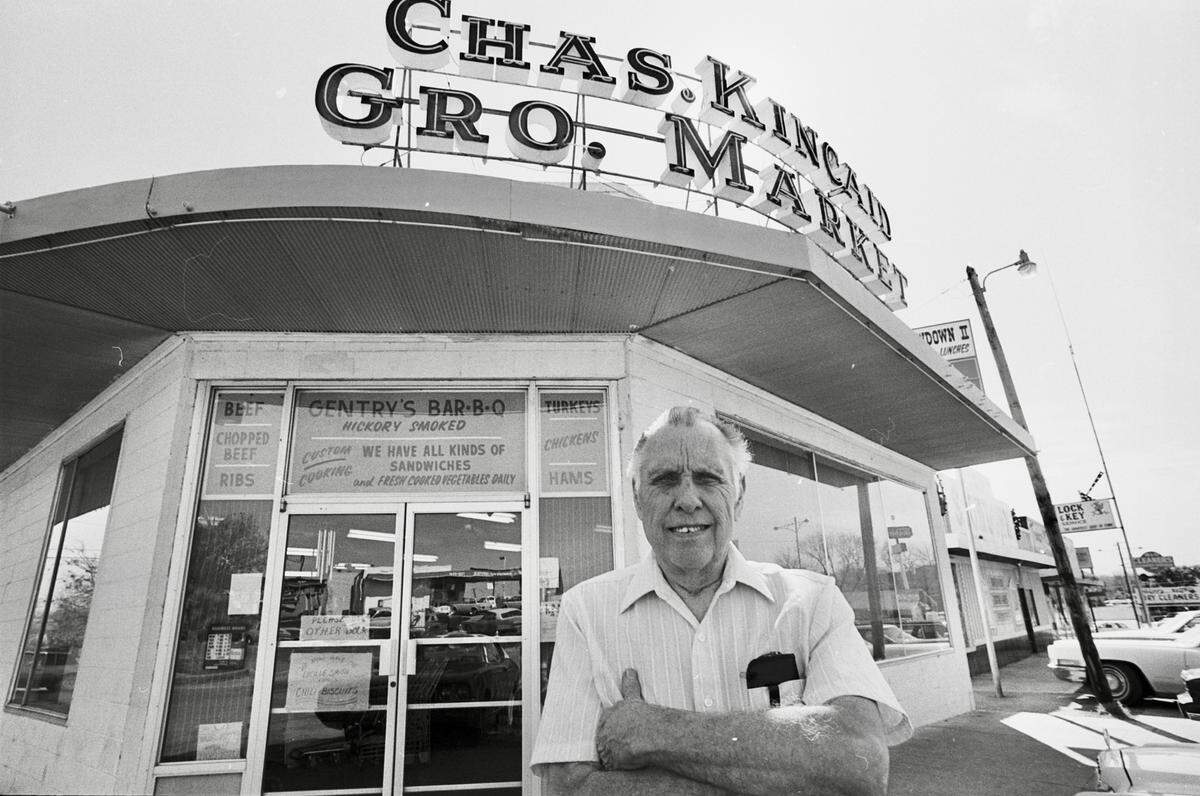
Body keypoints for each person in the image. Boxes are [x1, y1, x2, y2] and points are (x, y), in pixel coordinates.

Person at [531, 406, 911, 794]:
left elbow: (859, 765)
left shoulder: (814, 601)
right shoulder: (586, 612)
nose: (687, 499)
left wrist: (654, 730)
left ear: (739, 492)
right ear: (637, 497)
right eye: (664, 480)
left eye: (708, 478)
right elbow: (568, 788)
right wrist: (780, 771)